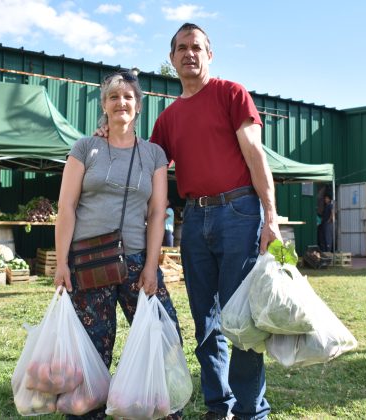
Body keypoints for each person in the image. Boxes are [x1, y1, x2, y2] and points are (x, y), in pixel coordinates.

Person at [150, 23, 282, 420]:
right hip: (195, 218)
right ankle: (218, 406)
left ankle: (249, 410)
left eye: (197, 47)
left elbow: (255, 155)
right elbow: (148, 168)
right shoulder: (169, 118)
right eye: (181, 49)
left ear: (210, 55)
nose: (189, 54)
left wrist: (270, 218)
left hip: (239, 212)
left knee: (240, 319)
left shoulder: (231, 94)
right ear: (172, 59)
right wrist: (108, 134)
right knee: (204, 321)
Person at [54, 71, 183, 420]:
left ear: (138, 106)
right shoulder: (85, 147)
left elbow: (158, 212)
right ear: (104, 105)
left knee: (164, 334)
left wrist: (152, 265)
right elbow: (66, 207)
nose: (121, 102)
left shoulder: (154, 154)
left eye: (128, 97)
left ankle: (161, 406)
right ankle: (87, 411)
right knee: (94, 344)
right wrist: (62, 263)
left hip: (137, 258)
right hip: (88, 259)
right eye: (113, 97)